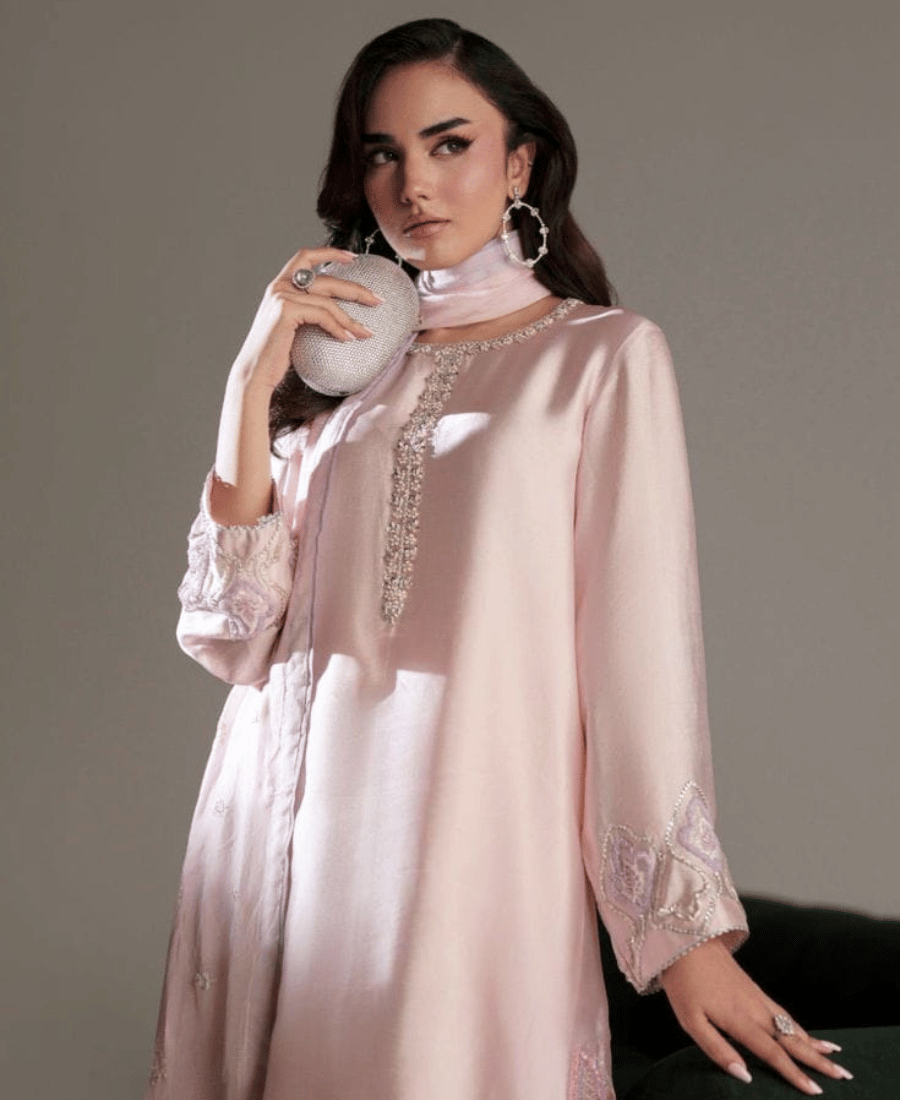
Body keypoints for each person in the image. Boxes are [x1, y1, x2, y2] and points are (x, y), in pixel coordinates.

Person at [147, 18, 852, 1100]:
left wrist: (686, 941)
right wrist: (251, 385)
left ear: (519, 162)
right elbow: (231, 634)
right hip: (270, 843)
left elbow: (637, 656)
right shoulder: (339, 382)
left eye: (450, 144)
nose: (414, 184)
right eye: (382, 154)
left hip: (463, 845)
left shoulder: (599, 358)